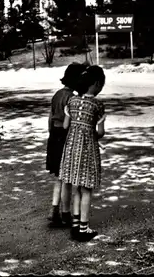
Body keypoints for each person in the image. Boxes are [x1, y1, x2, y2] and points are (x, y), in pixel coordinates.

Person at [59, 65, 106, 242]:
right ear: (95, 84)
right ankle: (84, 228)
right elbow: (100, 132)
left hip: (71, 148)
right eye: (101, 84)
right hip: (87, 150)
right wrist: (89, 131)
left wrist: (77, 129)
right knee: (86, 189)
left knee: (76, 187)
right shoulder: (97, 105)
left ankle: (75, 225)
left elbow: (65, 126)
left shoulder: (71, 101)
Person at [46, 63, 85, 228]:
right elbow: (72, 123)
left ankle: (54, 210)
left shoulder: (57, 95)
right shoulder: (72, 98)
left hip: (54, 136)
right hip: (66, 137)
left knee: (59, 177)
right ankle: (66, 213)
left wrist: (51, 135)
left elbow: (50, 118)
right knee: (67, 178)